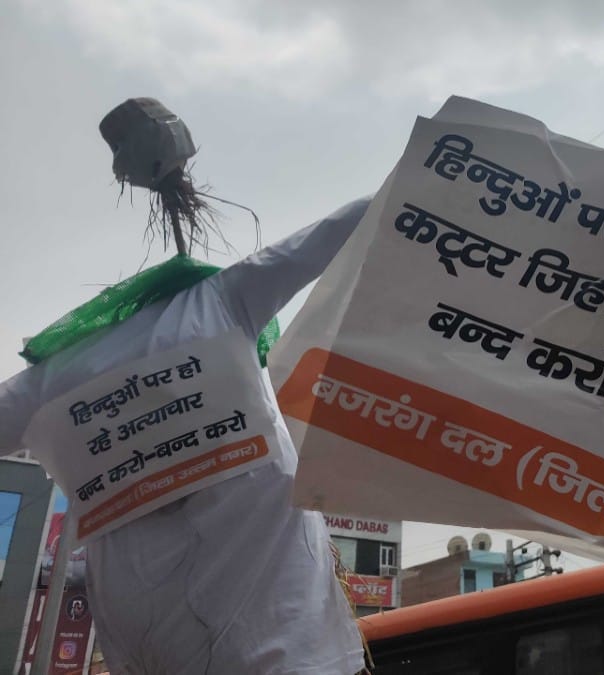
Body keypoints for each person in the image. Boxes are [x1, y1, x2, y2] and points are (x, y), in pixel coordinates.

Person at [0, 194, 373, 673]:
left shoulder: (49, 383)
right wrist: (440, 165)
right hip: (290, 654)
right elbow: (337, 230)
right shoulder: (218, 304)